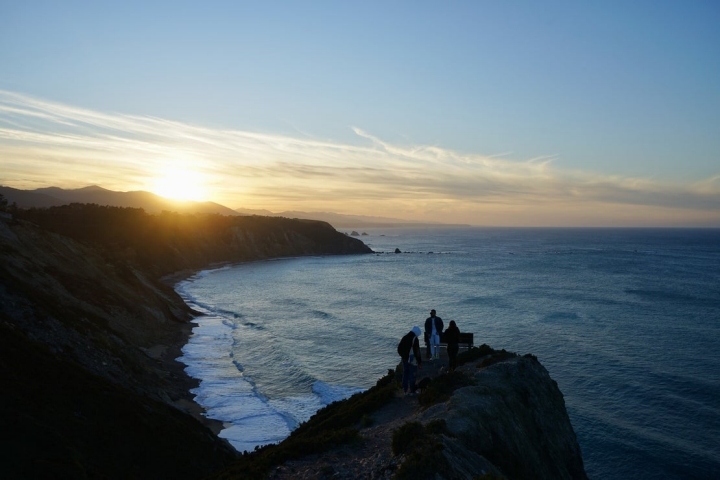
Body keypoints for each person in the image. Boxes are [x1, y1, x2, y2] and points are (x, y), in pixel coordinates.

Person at [397, 326, 423, 395]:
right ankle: (412, 391)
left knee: (405, 374)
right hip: (412, 360)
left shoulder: (404, 337)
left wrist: (404, 356)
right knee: (412, 375)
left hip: (405, 359)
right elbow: (417, 352)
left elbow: (399, 348)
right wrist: (419, 362)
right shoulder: (415, 339)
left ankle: (405, 390)